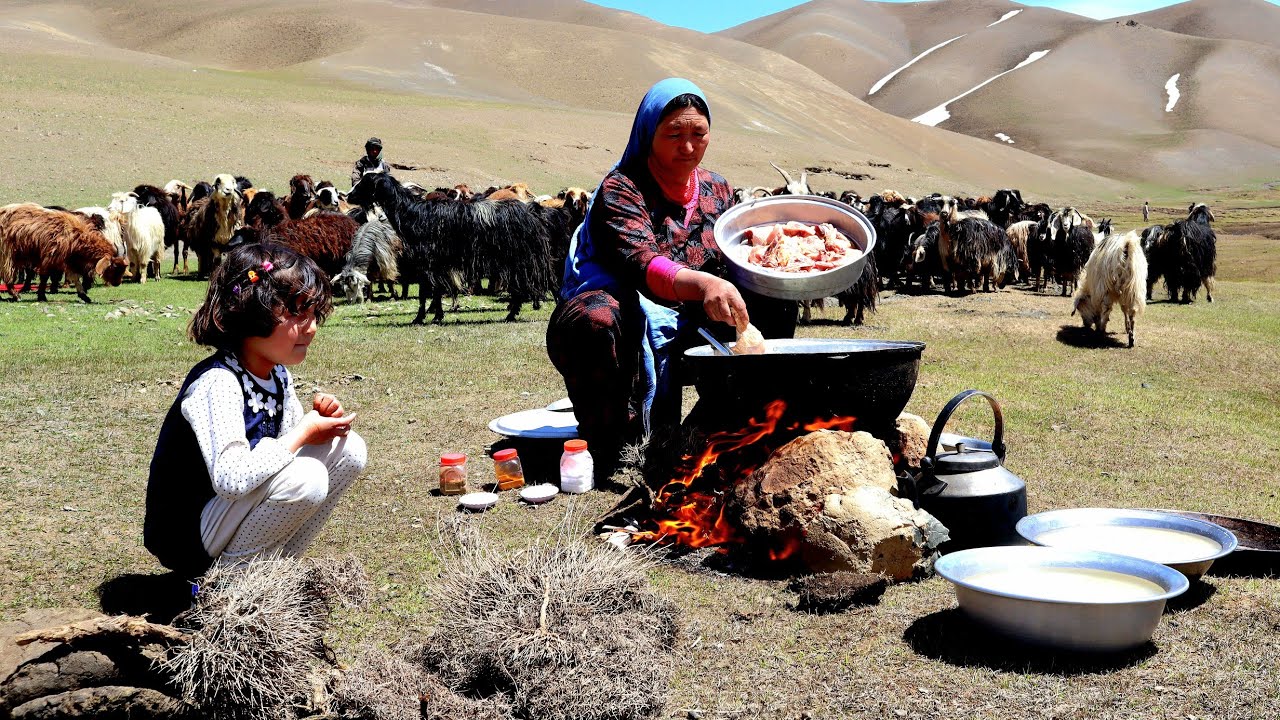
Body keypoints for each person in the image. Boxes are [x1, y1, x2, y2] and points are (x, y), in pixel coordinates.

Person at [546, 78, 796, 476]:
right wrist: (706, 284)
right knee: (595, 318)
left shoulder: (718, 189)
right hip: (627, 310)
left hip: (694, 314)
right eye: (674, 134)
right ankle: (617, 447)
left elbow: (734, 253)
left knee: (775, 299)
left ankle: (722, 426)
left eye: (699, 134)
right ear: (649, 133)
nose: (688, 146)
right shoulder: (621, 189)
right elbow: (644, 264)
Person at [144, 244, 367, 578]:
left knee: (350, 450)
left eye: (313, 314)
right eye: (296, 313)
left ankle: (275, 575)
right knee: (307, 479)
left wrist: (317, 427)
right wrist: (302, 433)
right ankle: (227, 587)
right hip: (191, 531)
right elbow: (231, 480)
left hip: (229, 516)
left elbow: (284, 455)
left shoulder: (276, 375)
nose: (311, 328)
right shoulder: (218, 382)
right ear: (251, 312)